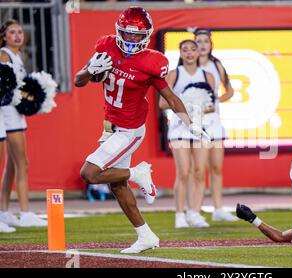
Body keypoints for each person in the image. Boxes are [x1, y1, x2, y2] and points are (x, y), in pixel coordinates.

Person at [74, 6, 208, 253]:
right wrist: (89, 71)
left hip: (129, 130)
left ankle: (136, 173)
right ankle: (146, 236)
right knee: (116, 185)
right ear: (118, 31)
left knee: (89, 174)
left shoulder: (152, 61)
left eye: (138, 35)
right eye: (128, 34)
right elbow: (78, 81)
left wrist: (192, 124)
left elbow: (171, 96)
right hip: (110, 127)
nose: (132, 39)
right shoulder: (106, 45)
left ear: (146, 35)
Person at [159, 39, 215, 228]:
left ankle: (195, 213)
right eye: (185, 50)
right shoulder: (174, 74)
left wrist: (199, 107)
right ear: (180, 54)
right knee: (183, 172)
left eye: (193, 49)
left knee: (199, 171)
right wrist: (186, 102)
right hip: (179, 128)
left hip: (201, 129)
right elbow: (162, 103)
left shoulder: (207, 76)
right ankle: (179, 214)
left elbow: (211, 105)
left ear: (199, 53)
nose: (190, 53)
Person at [0, 19, 48, 229]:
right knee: (22, 163)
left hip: (14, 113)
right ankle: (25, 212)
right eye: (12, 32)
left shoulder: (17, 56)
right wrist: (29, 96)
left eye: (20, 32)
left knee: (11, 165)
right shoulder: (4, 55)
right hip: (8, 113)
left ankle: (4, 211)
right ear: (4, 36)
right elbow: (4, 85)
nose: (18, 36)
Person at [190, 29, 237, 222]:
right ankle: (194, 211)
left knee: (216, 167)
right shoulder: (187, 66)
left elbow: (230, 90)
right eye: (198, 41)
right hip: (195, 123)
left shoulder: (216, 65)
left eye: (205, 42)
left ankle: (218, 209)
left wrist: (215, 100)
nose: (201, 45)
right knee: (198, 170)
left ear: (210, 45)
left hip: (214, 121)